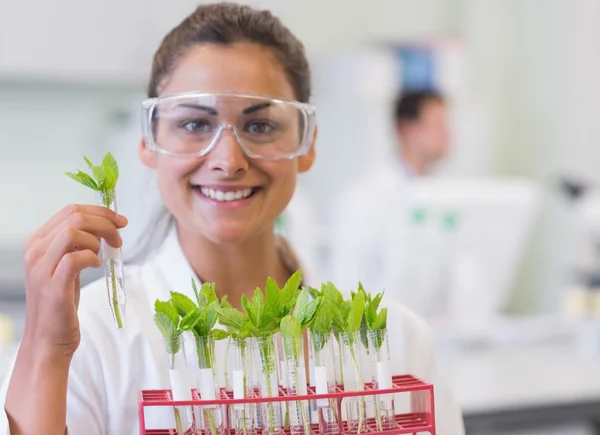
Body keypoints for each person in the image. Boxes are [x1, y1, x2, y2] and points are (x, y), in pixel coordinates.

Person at [0, 3, 464, 434]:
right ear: (147, 140)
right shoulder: (91, 336)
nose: (227, 159)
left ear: (308, 144)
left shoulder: (394, 342)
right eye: (194, 124)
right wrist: (47, 349)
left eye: (260, 126)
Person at [328, 89, 451, 306]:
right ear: (406, 129)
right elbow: (347, 284)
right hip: (381, 331)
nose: (447, 135)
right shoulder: (365, 198)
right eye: (437, 125)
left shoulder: (440, 195)